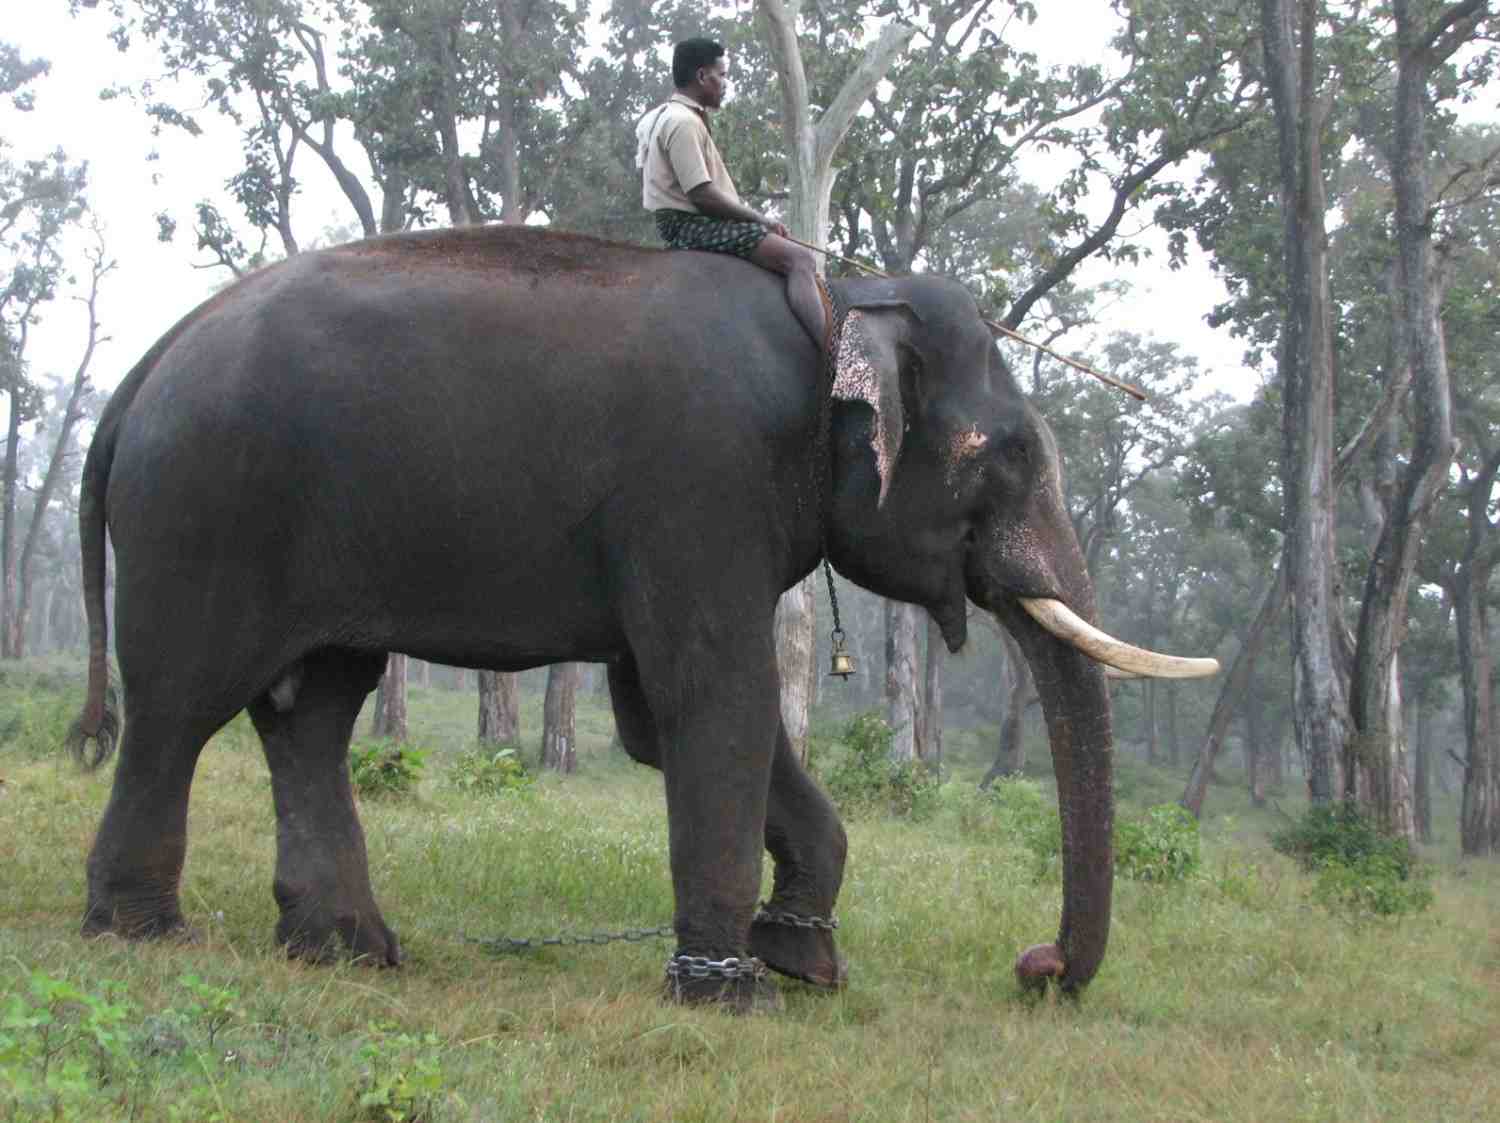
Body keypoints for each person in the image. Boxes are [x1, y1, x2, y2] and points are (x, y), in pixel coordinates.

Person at [638, 37, 828, 350]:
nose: (726, 84)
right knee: (800, 260)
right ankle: (832, 355)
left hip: (679, 222)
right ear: (702, 76)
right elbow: (702, 195)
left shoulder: (659, 116)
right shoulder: (683, 122)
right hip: (692, 225)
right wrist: (760, 220)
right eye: (722, 75)